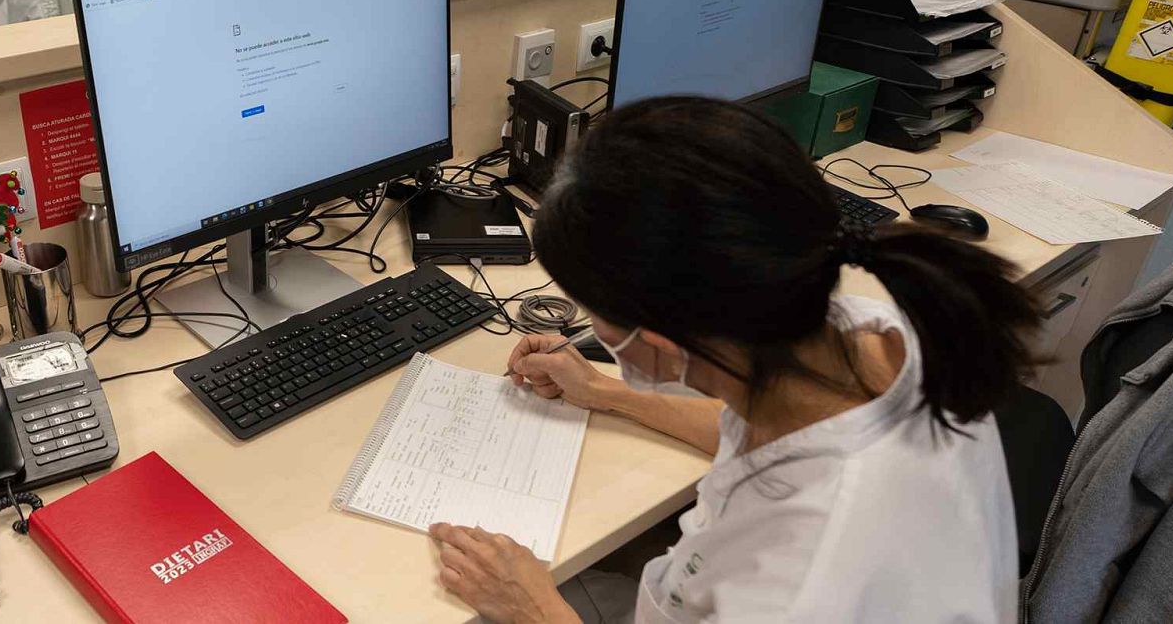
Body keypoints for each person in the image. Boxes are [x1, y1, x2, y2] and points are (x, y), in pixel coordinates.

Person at [428, 97, 1041, 623]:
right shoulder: (855, 337)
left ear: (663, 343)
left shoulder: (803, 576)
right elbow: (762, 432)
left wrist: (535, 607)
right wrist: (607, 392)